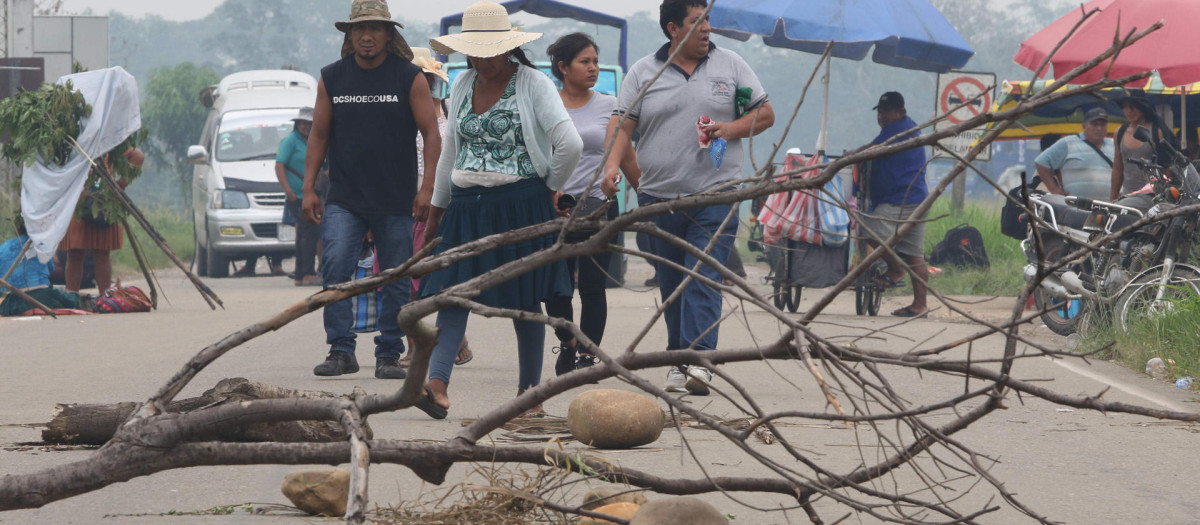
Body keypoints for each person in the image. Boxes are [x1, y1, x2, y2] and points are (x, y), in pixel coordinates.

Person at [418, 0, 583, 418]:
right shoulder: (461, 83)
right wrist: (438, 210)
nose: (482, 59)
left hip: (521, 205)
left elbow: (571, 144)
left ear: (508, 47)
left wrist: (549, 188)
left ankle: (530, 398)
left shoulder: (532, 83)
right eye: (474, 50)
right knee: (453, 296)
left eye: (490, 50)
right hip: (466, 208)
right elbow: (451, 152)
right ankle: (436, 384)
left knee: (525, 301)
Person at [603, 0, 775, 395]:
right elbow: (623, 125)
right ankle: (677, 359)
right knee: (671, 281)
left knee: (703, 274)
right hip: (659, 198)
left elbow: (764, 115)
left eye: (708, 20)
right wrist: (610, 167)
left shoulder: (731, 65)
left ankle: (699, 360)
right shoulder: (645, 71)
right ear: (672, 29)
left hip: (715, 195)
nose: (706, 29)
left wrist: (730, 128)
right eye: (696, 22)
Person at [301, 0, 442, 380]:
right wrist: (309, 188)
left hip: (396, 200)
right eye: (359, 30)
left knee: (394, 278)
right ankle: (341, 350)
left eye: (375, 29)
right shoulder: (333, 77)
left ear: (389, 34)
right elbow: (319, 134)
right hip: (344, 199)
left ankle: (389, 353)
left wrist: (426, 188)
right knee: (335, 271)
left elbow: (432, 134)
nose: (366, 36)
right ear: (349, 35)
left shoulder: (408, 76)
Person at [543, 32, 641, 376]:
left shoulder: (610, 105)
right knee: (555, 288)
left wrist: (648, 196)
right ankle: (568, 341)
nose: (593, 68)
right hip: (556, 208)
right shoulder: (547, 104)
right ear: (563, 67)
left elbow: (626, 156)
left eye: (595, 61)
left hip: (599, 207)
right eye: (585, 62)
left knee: (593, 286)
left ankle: (587, 355)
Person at [404, 46, 473, 367]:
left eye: (427, 76)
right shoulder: (402, 113)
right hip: (408, 205)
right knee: (408, 280)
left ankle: (455, 338)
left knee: (441, 276)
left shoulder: (448, 108)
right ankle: (415, 346)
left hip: (445, 205)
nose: (424, 81)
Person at [851, 91, 929, 319]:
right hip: (915, 198)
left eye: (887, 112)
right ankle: (920, 306)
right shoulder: (900, 128)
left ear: (901, 112)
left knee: (867, 231)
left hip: (901, 199)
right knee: (914, 255)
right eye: (881, 112)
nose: (882, 116)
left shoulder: (899, 130)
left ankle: (895, 269)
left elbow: (872, 149)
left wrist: (850, 156)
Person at [61, 147, 145, 293]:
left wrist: (119, 186)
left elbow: (138, 156)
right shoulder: (74, 139)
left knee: (100, 252)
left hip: (102, 199)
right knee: (76, 252)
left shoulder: (110, 140)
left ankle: (103, 295)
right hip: (77, 197)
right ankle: (72, 295)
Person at [0, 223, 92, 316]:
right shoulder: (41, 245)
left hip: (14, 300)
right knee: (70, 298)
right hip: (42, 296)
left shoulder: (3, 247)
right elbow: (51, 268)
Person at [276, 106, 321, 286]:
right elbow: (279, 166)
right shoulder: (290, 141)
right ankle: (307, 273)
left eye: (309, 123)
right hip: (297, 196)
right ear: (297, 124)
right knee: (308, 233)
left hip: (309, 195)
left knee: (305, 233)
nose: (306, 127)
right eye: (303, 123)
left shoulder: (311, 141)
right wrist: (288, 190)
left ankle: (300, 276)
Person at [1111, 90, 1177, 208]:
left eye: (1133, 106)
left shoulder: (1157, 132)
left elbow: (1168, 167)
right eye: (1125, 107)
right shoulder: (1119, 132)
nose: (1129, 111)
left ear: (1142, 106)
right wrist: (1112, 198)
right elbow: (1117, 168)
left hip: (1152, 199)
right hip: (1126, 199)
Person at [1034, 108, 1114, 200]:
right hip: (1076, 208)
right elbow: (1041, 162)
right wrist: (1054, 189)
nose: (1099, 128)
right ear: (1084, 126)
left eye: (1103, 125)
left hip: (1108, 207)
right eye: (1094, 124)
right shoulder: (1068, 143)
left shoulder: (1114, 145)